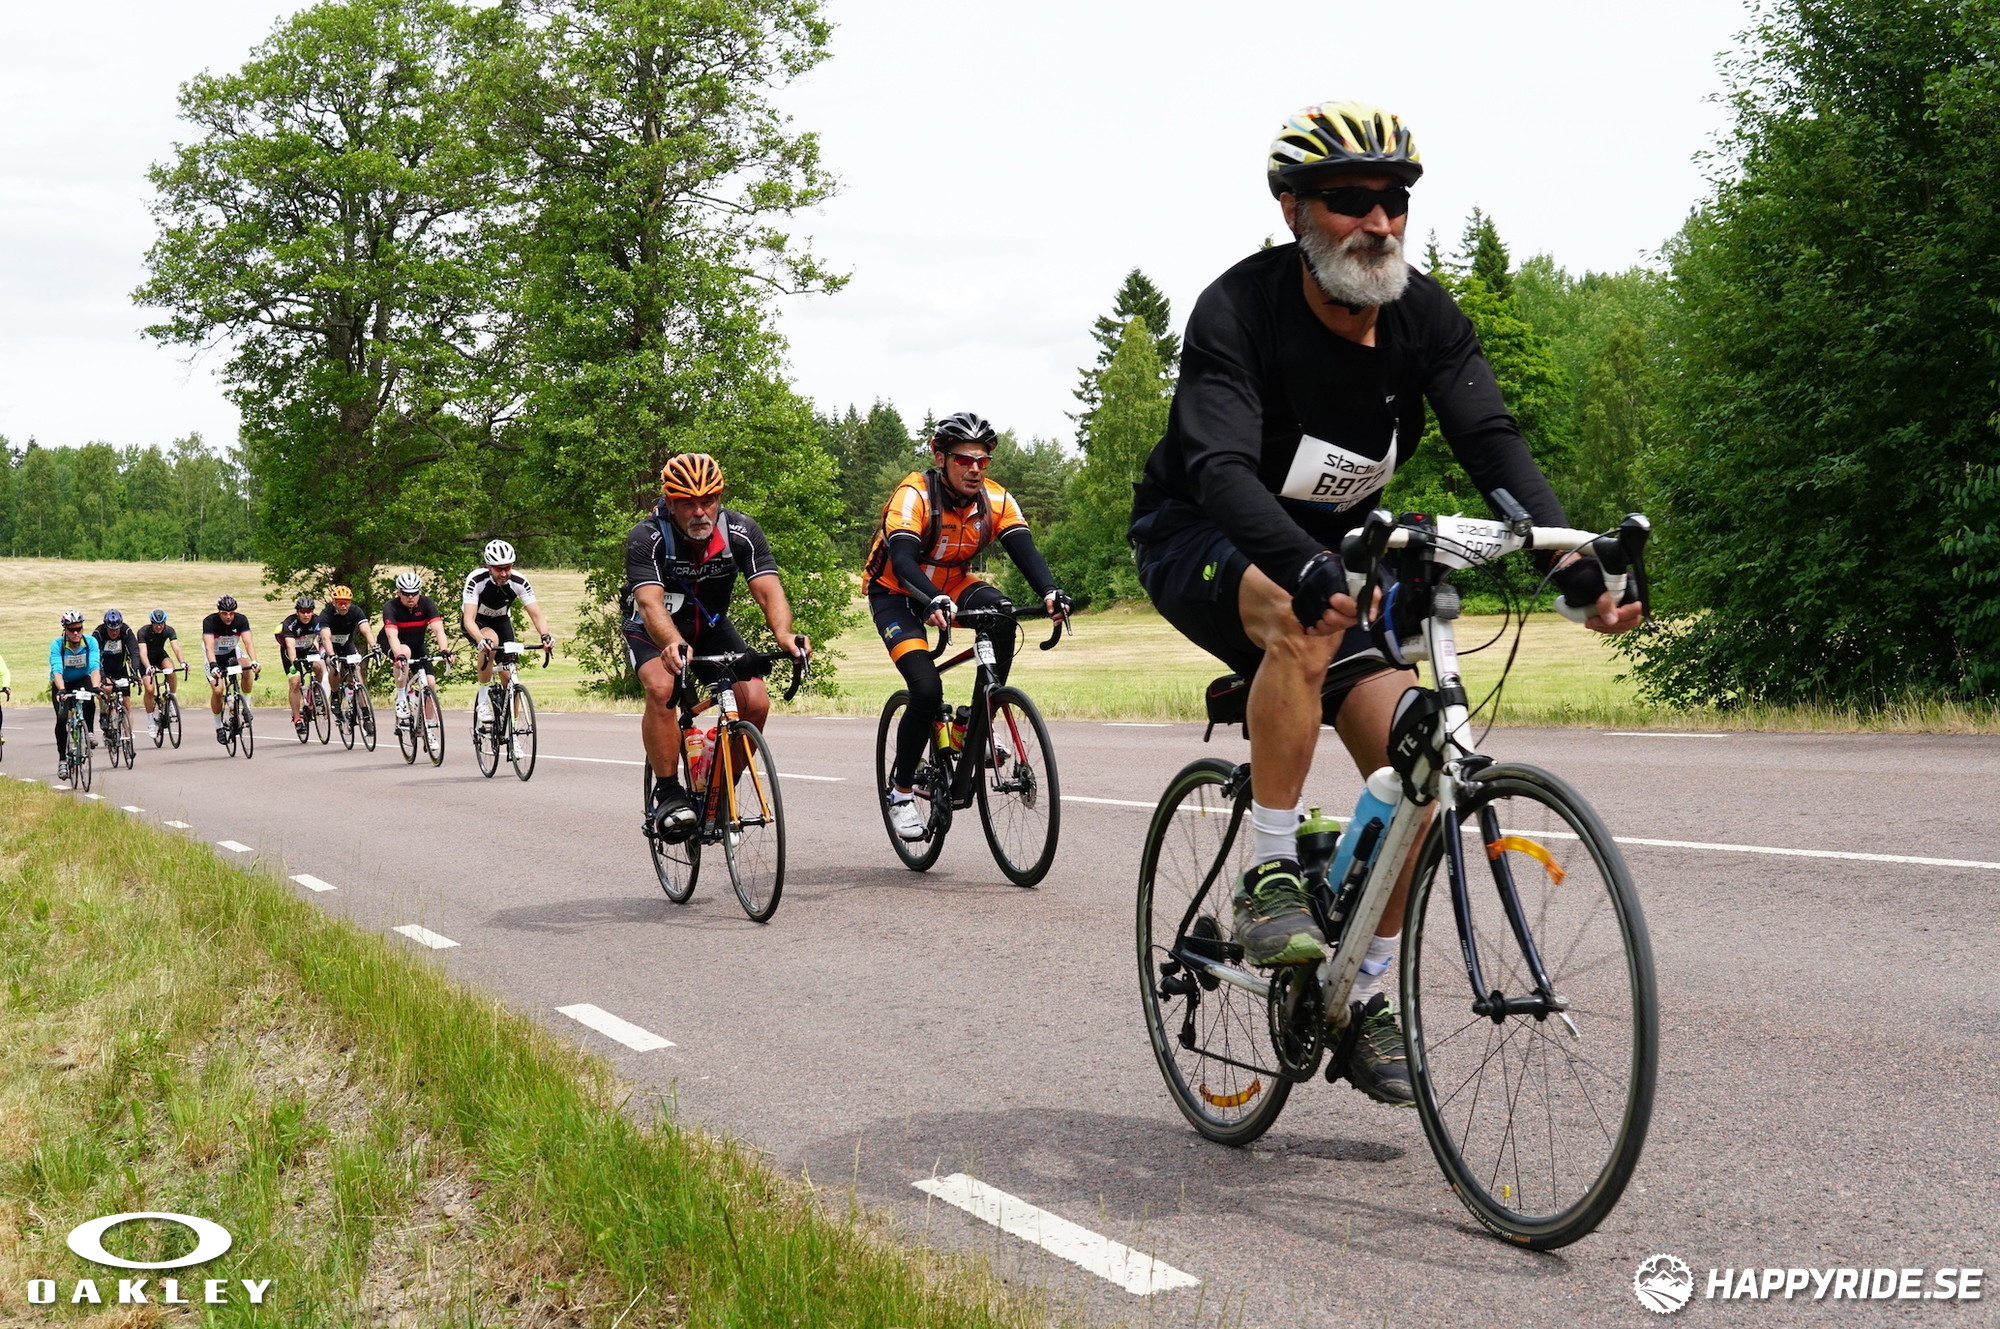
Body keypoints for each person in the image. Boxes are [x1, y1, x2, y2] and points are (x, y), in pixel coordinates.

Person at [1127, 101, 1645, 1105]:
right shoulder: (1237, 311)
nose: (1377, 221)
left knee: (1419, 755)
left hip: (1328, 559)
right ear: (1293, 212)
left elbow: (1492, 445)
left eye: (1394, 200)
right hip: (1199, 535)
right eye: (1348, 200)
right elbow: (1220, 469)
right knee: (1299, 614)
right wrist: (1305, 565)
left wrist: (1572, 570)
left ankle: (1359, 991)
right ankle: (1270, 873)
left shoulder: (1424, 320)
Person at [862, 412, 1068, 842]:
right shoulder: (914, 495)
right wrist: (930, 599)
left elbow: (1025, 551)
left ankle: (976, 721)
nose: (975, 469)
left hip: (953, 583)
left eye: (983, 460)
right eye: (963, 460)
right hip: (896, 592)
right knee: (925, 690)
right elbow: (903, 561)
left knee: (1003, 614)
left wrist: (1050, 591)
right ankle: (901, 792)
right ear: (940, 457)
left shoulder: (996, 500)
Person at [619, 453, 810, 839]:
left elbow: (768, 590)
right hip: (652, 630)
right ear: (669, 502)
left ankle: (721, 792)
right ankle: (668, 793)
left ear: (719, 498)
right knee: (662, 689)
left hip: (710, 627)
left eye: (708, 501)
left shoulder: (741, 531)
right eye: (687, 503)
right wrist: (672, 642)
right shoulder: (647, 537)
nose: (699, 512)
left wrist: (784, 635)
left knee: (756, 702)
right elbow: (650, 604)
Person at [460, 539, 555, 733]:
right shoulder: (476, 580)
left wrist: (545, 636)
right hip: (477, 623)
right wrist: (480, 640)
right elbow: (468, 619)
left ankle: (513, 728)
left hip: (502, 621)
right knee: (491, 642)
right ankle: (483, 701)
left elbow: (536, 615)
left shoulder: (519, 581)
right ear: (488, 566)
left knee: (510, 676)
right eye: (499, 569)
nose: (504, 573)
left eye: (508, 568)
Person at [381, 572, 452, 721]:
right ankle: (401, 697)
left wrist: (445, 650)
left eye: (414, 593)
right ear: (399, 592)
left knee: (430, 683)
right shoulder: (391, 607)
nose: (411, 597)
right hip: (393, 642)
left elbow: (438, 630)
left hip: (417, 644)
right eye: (406, 594)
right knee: (405, 652)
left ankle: (428, 725)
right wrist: (399, 655)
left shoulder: (427, 603)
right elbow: (392, 636)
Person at [47, 610, 102, 777]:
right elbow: (57, 669)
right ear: (65, 630)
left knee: (90, 697)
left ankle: (89, 731)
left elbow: (94, 666)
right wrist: (61, 690)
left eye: (79, 629)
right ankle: (62, 760)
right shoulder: (57, 645)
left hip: (81, 679)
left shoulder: (90, 642)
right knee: (62, 718)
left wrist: (96, 687)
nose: (76, 633)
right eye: (72, 630)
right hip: (63, 682)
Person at [202, 595, 261, 743]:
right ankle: (218, 727)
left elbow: (248, 642)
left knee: (246, 668)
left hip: (232, 652)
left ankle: (246, 707)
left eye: (231, 613)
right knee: (218, 691)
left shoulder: (241, 620)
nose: (228, 617)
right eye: (224, 613)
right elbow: (209, 647)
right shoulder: (210, 621)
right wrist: (213, 666)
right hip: (213, 656)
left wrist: (254, 661)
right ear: (219, 612)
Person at [275, 595, 326, 737]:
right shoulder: (289, 623)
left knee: (318, 667)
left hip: (308, 649)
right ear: (297, 612)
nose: (306, 615)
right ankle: (297, 718)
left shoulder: (317, 621)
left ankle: (315, 692)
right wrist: (294, 662)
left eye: (309, 611)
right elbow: (290, 647)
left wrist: (324, 652)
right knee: (295, 682)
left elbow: (323, 638)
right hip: (291, 652)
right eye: (303, 612)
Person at [136, 609, 187, 739]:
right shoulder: (143, 632)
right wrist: (148, 667)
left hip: (160, 656)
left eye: (161, 624)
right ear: (151, 623)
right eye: (156, 624)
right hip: (145, 660)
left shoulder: (169, 630)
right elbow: (142, 653)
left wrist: (183, 662)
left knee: (171, 670)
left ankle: (171, 700)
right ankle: (150, 722)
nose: (159, 627)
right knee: (149, 689)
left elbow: (176, 648)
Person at [91, 610, 140, 743]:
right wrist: (102, 676)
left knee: (126, 701)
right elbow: (95, 657)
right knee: (106, 689)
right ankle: (104, 713)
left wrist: (134, 673)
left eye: (117, 629)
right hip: (103, 669)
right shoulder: (98, 634)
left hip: (120, 669)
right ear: (106, 627)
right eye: (111, 629)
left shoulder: (126, 631)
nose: (114, 632)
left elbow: (134, 652)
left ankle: (128, 736)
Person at [316, 585, 375, 687]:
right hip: (329, 645)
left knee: (356, 668)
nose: (343, 606)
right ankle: (335, 693)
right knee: (335, 667)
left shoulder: (355, 611)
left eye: (346, 603)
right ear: (334, 602)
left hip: (346, 644)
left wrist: (374, 647)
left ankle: (358, 695)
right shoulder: (326, 613)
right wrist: (332, 655)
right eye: (340, 603)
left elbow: (366, 631)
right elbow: (325, 638)